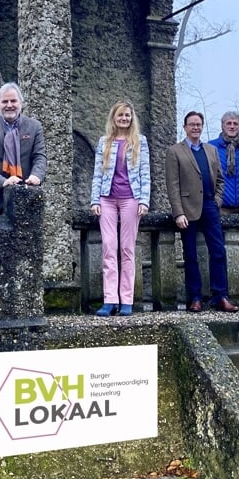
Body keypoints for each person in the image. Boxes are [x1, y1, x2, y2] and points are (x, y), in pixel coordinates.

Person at [163, 110, 236, 313]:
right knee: (191, 255)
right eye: (192, 124)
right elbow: (172, 185)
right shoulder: (175, 151)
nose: (195, 127)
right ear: (185, 127)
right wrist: (178, 212)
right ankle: (195, 298)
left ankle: (220, 296)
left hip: (210, 207)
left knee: (218, 252)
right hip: (187, 210)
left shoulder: (211, 150)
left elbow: (220, 179)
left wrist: (217, 201)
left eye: (198, 124)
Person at [87, 101, 150, 317]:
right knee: (109, 248)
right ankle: (110, 300)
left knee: (127, 249)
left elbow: (145, 174)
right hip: (107, 199)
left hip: (130, 199)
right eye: (120, 115)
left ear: (132, 118)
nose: (124, 119)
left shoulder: (140, 142)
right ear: (114, 117)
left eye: (127, 115)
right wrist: (94, 200)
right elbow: (97, 174)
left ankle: (127, 300)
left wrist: (144, 201)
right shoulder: (104, 142)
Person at [0, 83, 45, 214]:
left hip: (26, 197)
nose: (9, 105)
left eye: (13, 101)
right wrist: (3, 182)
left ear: (21, 103)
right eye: (5, 101)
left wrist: (37, 175)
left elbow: (39, 156)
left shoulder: (35, 127)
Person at [208, 111, 239, 220]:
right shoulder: (211, 146)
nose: (232, 126)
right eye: (228, 123)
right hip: (221, 206)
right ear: (222, 125)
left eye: (235, 124)